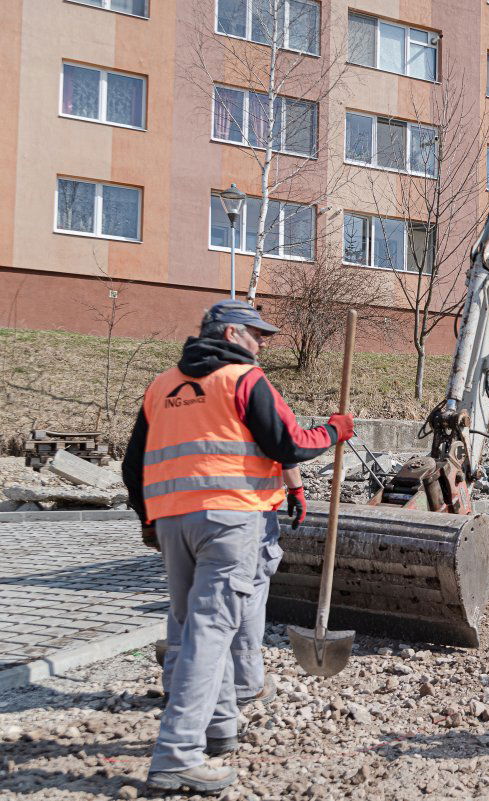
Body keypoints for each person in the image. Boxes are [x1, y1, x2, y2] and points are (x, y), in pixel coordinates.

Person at [122, 300, 352, 794]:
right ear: (230, 333)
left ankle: (221, 724)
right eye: (256, 334)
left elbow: (132, 465)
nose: (262, 343)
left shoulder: (162, 386)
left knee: (194, 624)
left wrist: (149, 521)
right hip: (230, 520)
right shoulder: (243, 379)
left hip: (174, 523)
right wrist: (335, 430)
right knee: (210, 632)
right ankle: (177, 754)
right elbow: (288, 443)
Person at [159, 465, 306, 707]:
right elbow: (285, 448)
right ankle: (244, 684)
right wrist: (296, 488)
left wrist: (148, 518)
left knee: (186, 592)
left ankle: (178, 684)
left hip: (180, 506)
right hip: (244, 506)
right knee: (248, 590)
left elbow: (136, 461)